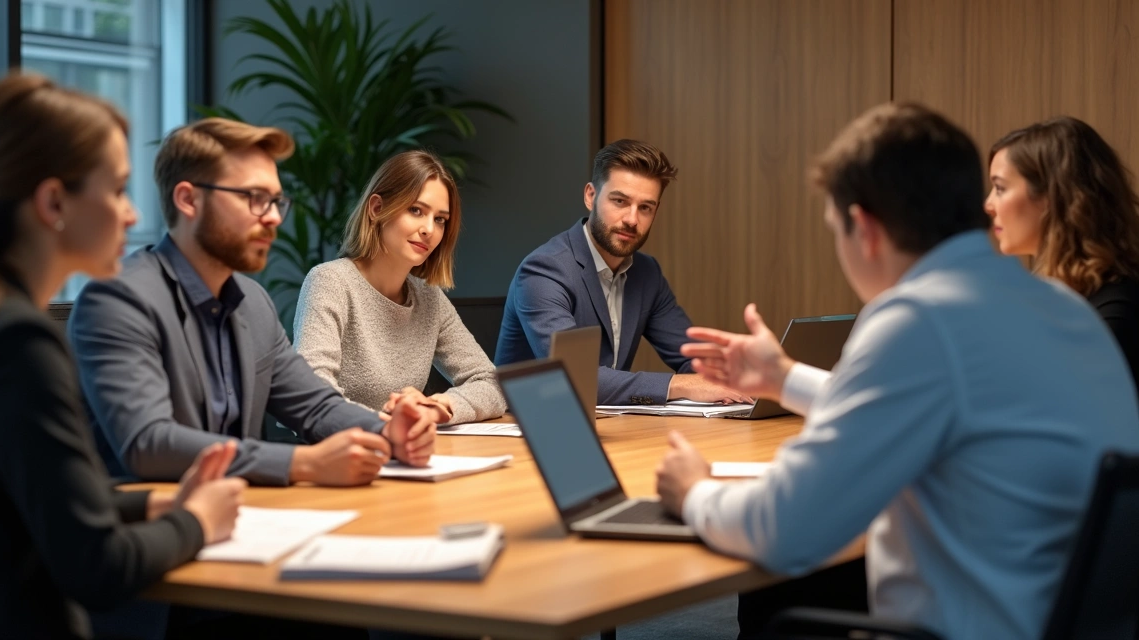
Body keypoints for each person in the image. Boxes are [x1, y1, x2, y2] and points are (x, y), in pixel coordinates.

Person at [657, 103, 1139, 638]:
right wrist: (783, 377)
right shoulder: (1058, 305)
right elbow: (930, 404)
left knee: (782, 597)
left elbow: (784, 529)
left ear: (863, 228)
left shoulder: (918, 318)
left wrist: (694, 491)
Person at [0, 73, 244, 639]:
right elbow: (96, 566)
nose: (128, 213)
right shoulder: (15, 343)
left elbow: (23, 506)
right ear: (53, 202)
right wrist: (197, 522)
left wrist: (151, 507)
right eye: (117, 189)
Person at [70, 118, 444, 488]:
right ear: (188, 199)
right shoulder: (118, 299)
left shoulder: (252, 302)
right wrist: (301, 463)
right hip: (150, 529)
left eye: (276, 201)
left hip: (241, 517)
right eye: (254, 199)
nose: (272, 218)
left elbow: (315, 406)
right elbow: (148, 443)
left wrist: (389, 431)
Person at [495, 139, 750, 405]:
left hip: (610, 426)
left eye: (645, 208)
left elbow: (692, 356)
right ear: (590, 196)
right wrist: (679, 384)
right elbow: (575, 377)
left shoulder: (646, 272)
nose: (631, 219)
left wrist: (730, 377)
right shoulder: (544, 271)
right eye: (620, 201)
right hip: (534, 428)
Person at [292, 150, 505, 424]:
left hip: (410, 454)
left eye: (440, 219)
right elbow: (313, 392)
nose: (429, 229)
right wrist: (389, 426)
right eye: (416, 210)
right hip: (343, 454)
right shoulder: (330, 282)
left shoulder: (429, 298)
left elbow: (491, 382)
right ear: (377, 209)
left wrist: (440, 407)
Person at [986, 116, 1139, 390]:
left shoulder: (1113, 314)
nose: (988, 204)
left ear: (1052, 197)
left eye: (1000, 188)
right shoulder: (1047, 300)